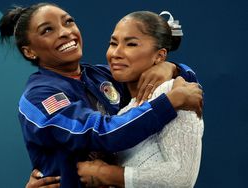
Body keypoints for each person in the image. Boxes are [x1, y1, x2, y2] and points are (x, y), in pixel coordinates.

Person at [0, 3, 202, 188]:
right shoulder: (39, 97)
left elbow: (176, 85)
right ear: (30, 51)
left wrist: (172, 68)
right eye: (48, 30)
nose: (65, 32)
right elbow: (101, 134)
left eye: (68, 22)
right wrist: (169, 103)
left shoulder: (101, 75)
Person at [76, 11, 204, 187]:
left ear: (159, 55)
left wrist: (107, 174)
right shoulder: (124, 108)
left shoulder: (175, 91)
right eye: (113, 43)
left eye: (131, 44)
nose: (116, 53)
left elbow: (182, 178)